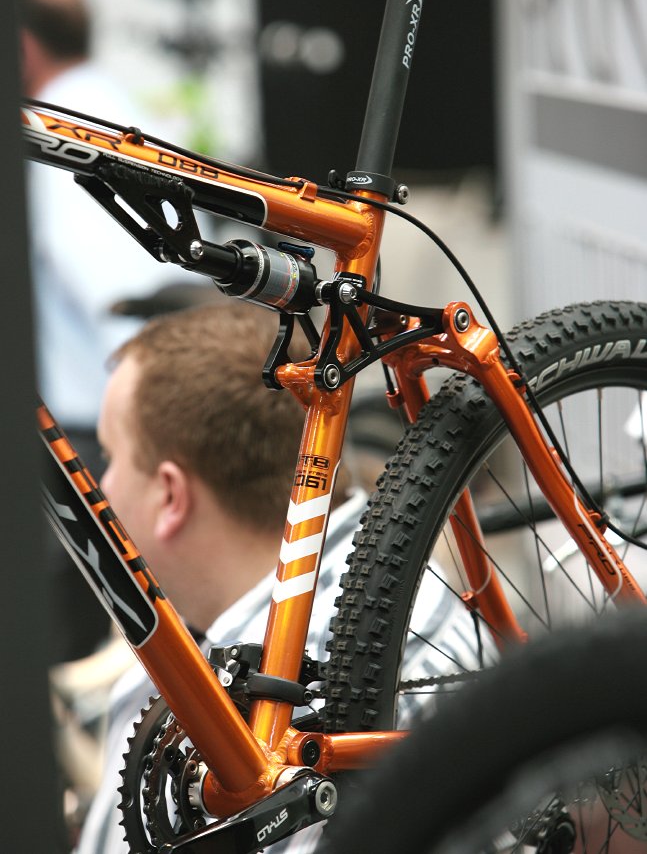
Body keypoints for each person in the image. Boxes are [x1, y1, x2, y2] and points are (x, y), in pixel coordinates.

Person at [73, 296, 486, 854]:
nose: (101, 486)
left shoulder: (327, 696)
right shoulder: (392, 588)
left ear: (170, 495)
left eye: (108, 457)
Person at [21, 0, 203, 661]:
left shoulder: (57, 135)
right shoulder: (118, 108)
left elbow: (125, 297)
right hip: (127, 428)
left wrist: (150, 438)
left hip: (100, 442)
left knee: (81, 662)